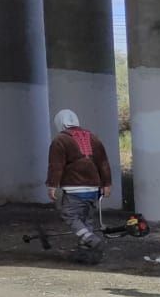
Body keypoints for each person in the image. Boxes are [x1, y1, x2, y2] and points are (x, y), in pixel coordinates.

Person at [46, 109, 113, 265]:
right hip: (94, 189)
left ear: (59, 123)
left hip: (74, 188)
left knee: (70, 215)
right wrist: (107, 184)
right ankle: (85, 252)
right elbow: (103, 163)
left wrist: (52, 185)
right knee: (86, 219)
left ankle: (91, 240)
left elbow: (56, 165)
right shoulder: (93, 138)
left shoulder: (60, 140)